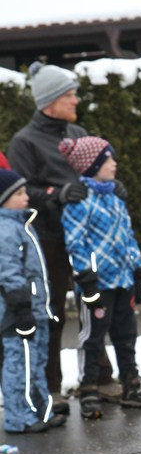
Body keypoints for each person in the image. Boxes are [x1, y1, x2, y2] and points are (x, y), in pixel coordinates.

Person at [7, 62, 119, 412]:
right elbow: (20, 191)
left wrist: (112, 187)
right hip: (48, 239)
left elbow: (95, 173)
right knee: (53, 312)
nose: (75, 100)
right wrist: (57, 194)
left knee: (96, 305)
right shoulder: (24, 142)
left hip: (86, 237)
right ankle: (51, 387)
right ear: (49, 100)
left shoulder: (77, 132)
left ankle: (99, 378)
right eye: (68, 94)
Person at [58, 135, 141, 419]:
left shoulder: (115, 198)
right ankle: (88, 389)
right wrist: (87, 278)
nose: (114, 164)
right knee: (93, 337)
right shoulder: (80, 201)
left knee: (126, 335)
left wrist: (137, 271)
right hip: (97, 284)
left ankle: (132, 385)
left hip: (123, 281)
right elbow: (75, 243)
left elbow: (127, 236)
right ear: (92, 165)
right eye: (108, 159)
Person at [0, 169, 66, 434]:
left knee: (36, 362)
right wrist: (21, 307)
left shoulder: (22, 226)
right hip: (17, 313)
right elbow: (8, 272)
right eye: (19, 193)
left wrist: (44, 308)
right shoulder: (5, 231)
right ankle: (19, 417)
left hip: (36, 309)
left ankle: (40, 410)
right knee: (19, 363)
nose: (26, 197)